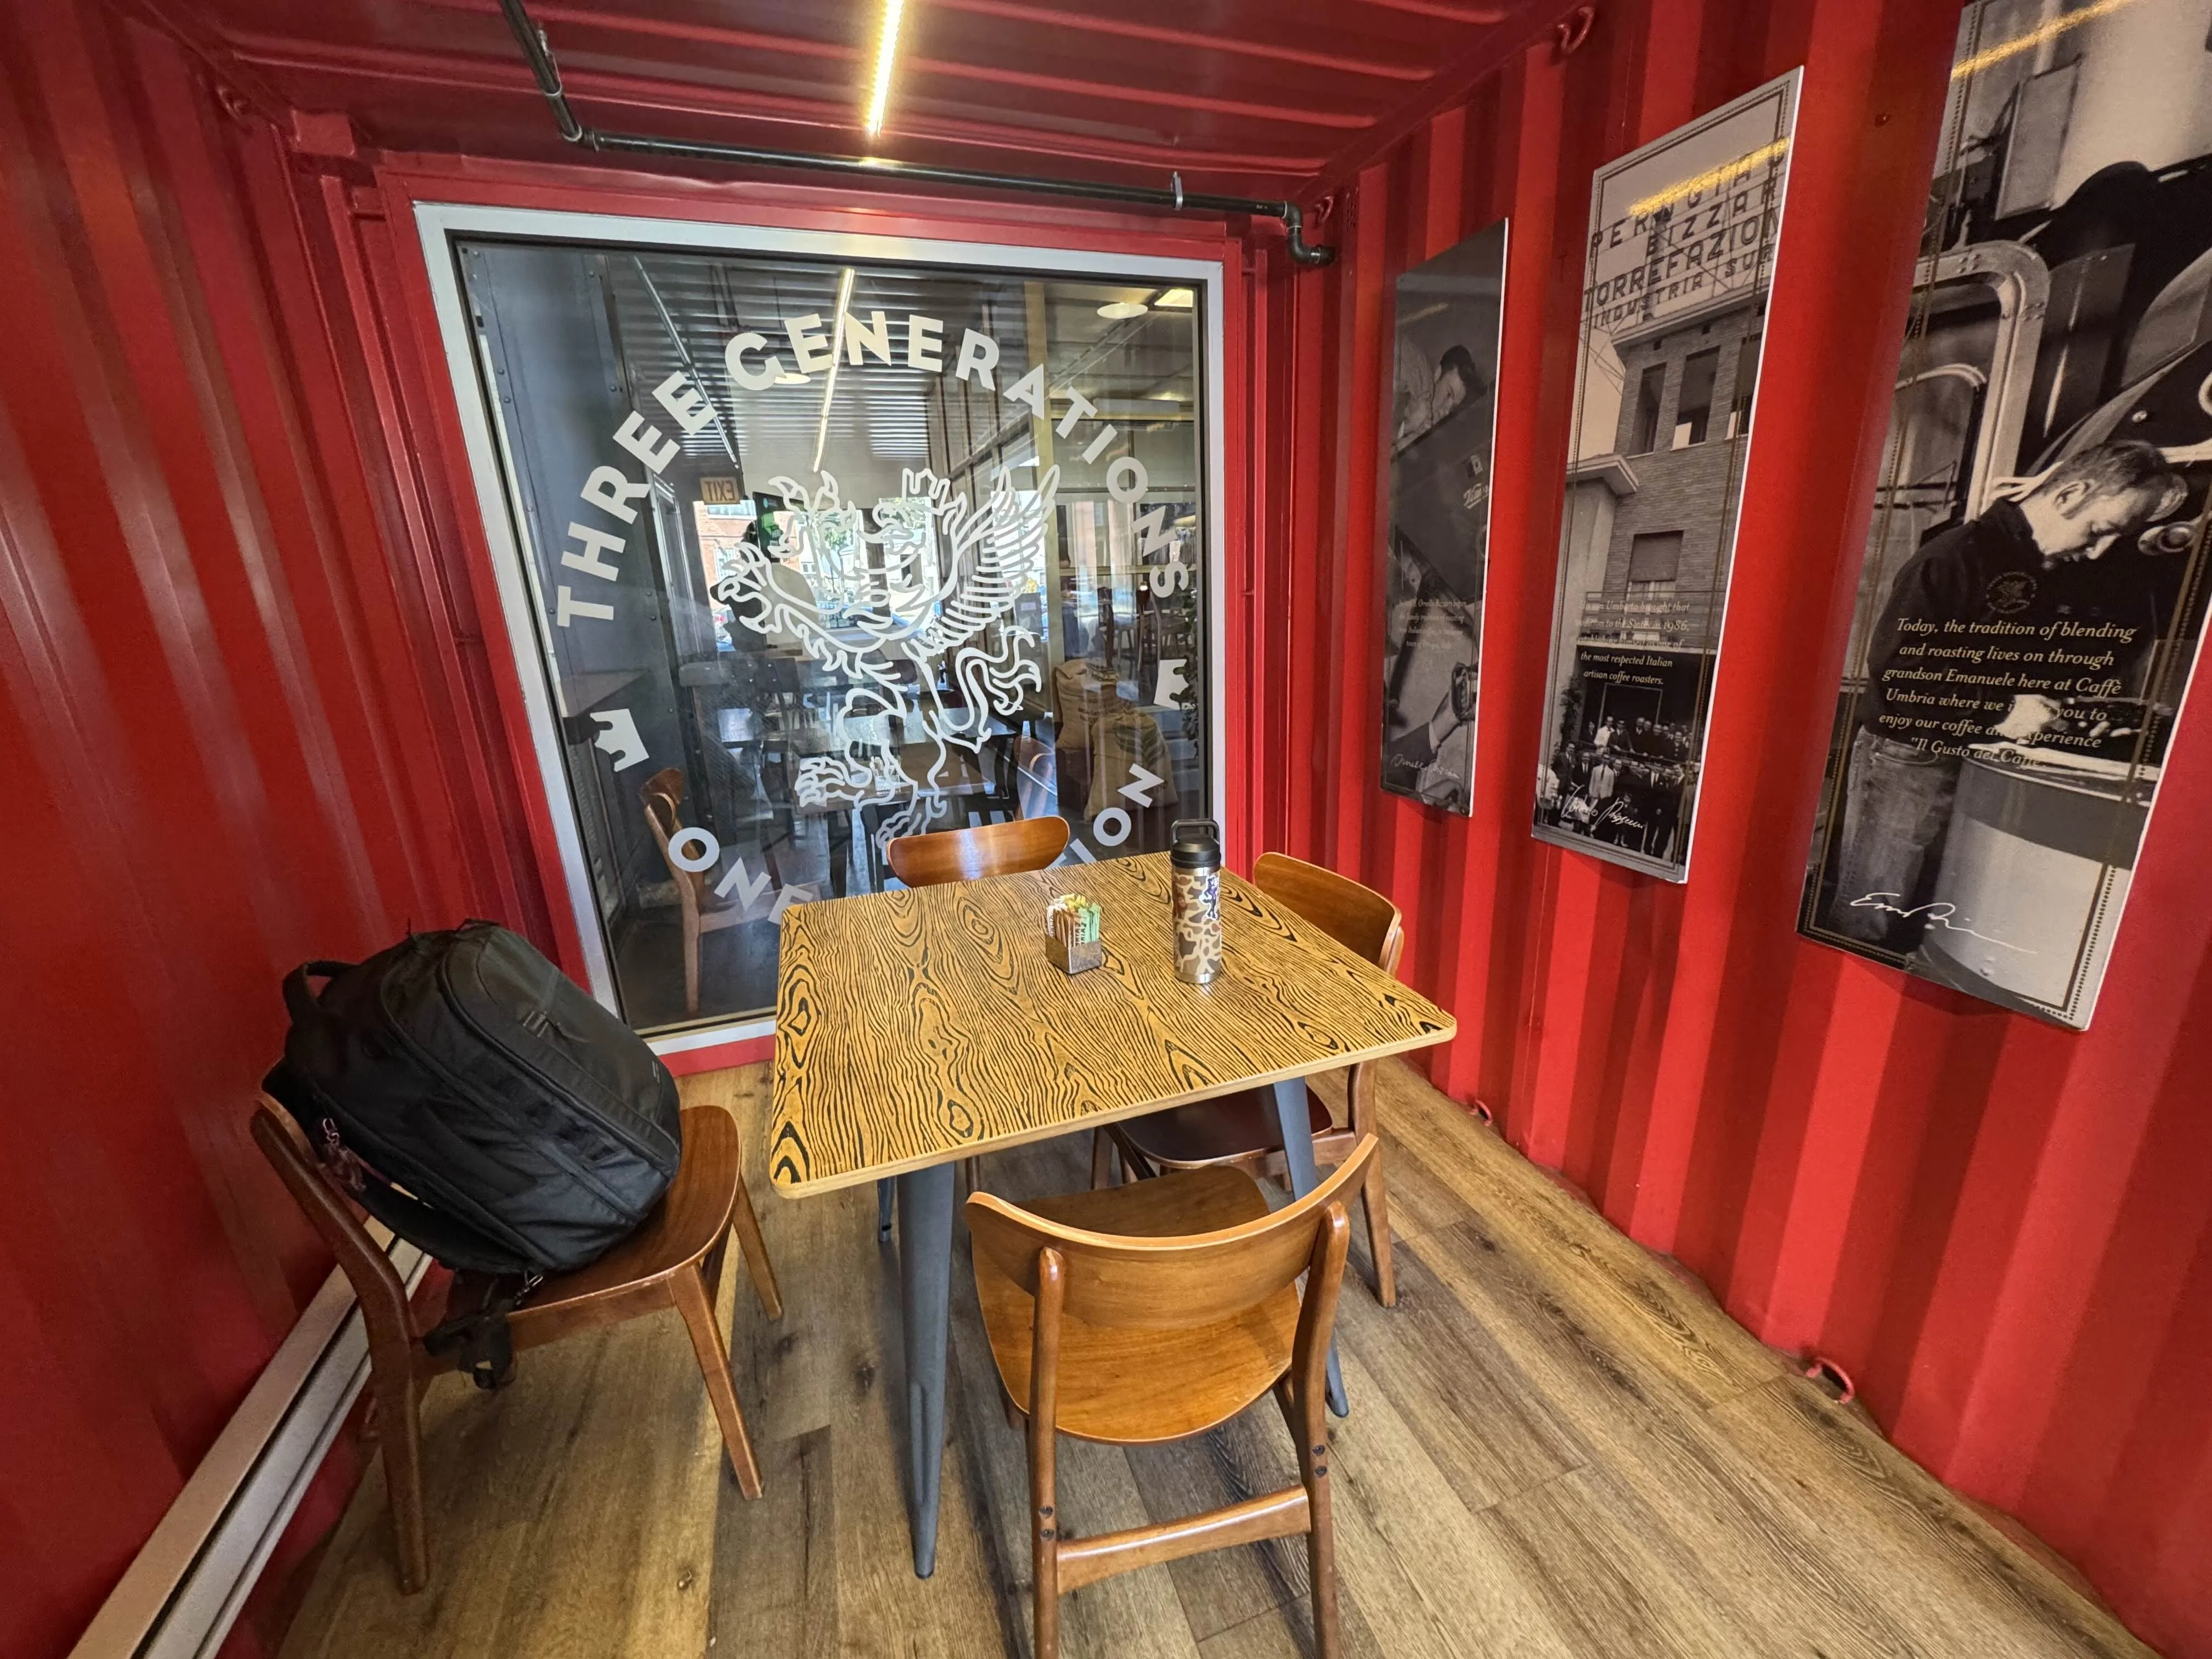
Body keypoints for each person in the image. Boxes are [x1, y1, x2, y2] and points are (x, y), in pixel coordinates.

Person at [1826, 439, 2186, 946]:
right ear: (2070, 495)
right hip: (1910, 758)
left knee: (1932, 916)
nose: (2099, 550)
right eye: (2099, 530)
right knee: (1875, 915)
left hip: (1976, 753)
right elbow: (1902, 675)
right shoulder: (1953, 558)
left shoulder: (2055, 565)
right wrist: (2001, 709)